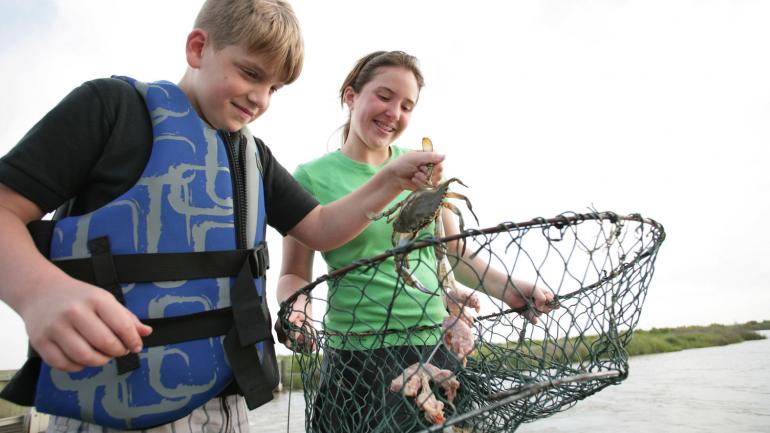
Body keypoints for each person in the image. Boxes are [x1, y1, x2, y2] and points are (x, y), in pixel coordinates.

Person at [0, 2, 444, 432]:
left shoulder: (254, 156)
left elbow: (322, 228)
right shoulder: (110, 108)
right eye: (251, 73)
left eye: (274, 88)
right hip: (111, 397)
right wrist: (39, 293)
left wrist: (391, 179)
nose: (260, 99)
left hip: (226, 401)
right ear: (198, 48)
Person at [276, 51, 557, 433]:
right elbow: (294, 274)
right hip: (356, 359)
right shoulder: (311, 177)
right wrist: (297, 309)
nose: (394, 112)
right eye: (384, 96)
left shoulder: (421, 167)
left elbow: (455, 251)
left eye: (407, 105)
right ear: (350, 96)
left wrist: (510, 289)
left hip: (434, 348)